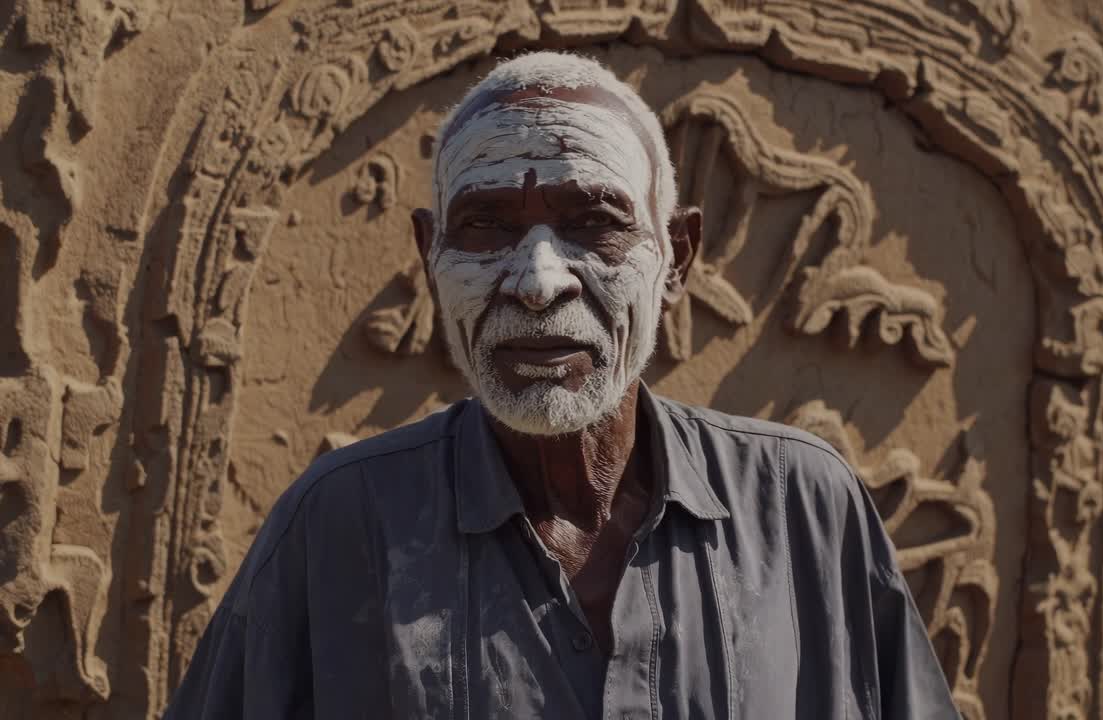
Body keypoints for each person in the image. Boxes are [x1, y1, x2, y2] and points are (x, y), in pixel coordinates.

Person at [164, 52, 959, 719]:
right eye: (486, 227)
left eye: (594, 223)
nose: (538, 282)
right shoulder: (339, 522)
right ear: (430, 255)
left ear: (676, 258)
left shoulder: (802, 504)